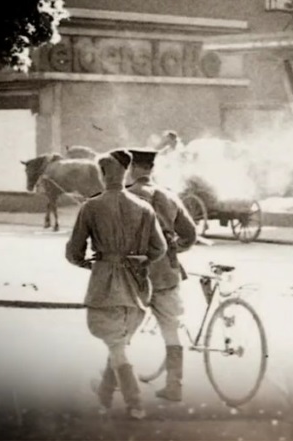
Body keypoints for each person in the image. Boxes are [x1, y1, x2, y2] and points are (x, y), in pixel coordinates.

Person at [66, 150, 168, 419]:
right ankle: (104, 396)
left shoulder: (91, 207)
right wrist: (141, 260)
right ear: (125, 174)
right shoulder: (144, 208)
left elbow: (73, 253)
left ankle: (135, 403)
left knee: (117, 348)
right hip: (136, 291)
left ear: (102, 175)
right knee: (118, 343)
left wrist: (92, 264)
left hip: (105, 290)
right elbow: (160, 248)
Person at [123, 148, 197, 402]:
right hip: (167, 274)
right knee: (171, 331)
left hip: (136, 277)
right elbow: (190, 234)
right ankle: (175, 385)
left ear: (131, 169)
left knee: (121, 332)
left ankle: (111, 384)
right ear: (152, 169)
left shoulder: (124, 197)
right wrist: (173, 252)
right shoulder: (169, 196)